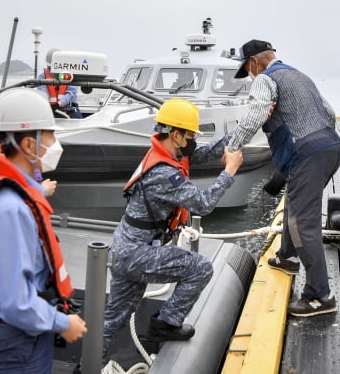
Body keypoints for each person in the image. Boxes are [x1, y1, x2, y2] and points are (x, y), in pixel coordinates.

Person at [0, 88, 87, 372]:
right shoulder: (10, 210)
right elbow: (16, 302)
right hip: (15, 344)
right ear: (29, 145)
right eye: (50, 136)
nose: (55, 144)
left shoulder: (12, 192)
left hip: (23, 337)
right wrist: (63, 323)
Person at [103, 98, 243, 352]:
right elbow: (203, 204)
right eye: (190, 135)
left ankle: (85, 366)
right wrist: (229, 172)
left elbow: (201, 154)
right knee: (200, 268)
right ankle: (166, 324)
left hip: (125, 248)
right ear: (176, 135)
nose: (193, 140)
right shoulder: (165, 173)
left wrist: (243, 131)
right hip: (138, 253)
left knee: (114, 318)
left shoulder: (163, 152)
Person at [229, 39, 340, 317]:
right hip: (331, 146)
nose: (251, 75)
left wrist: (233, 147)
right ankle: (287, 256)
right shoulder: (299, 75)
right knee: (294, 201)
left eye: (248, 69)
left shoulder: (265, 80)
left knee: (302, 223)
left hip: (307, 154)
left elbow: (255, 115)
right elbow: (329, 113)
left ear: (254, 61)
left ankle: (319, 296)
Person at [37, 47, 82, 118]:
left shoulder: (70, 76)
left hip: (70, 107)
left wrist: (58, 104)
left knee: (77, 116)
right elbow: (43, 93)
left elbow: (71, 94)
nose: (51, 70)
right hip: (50, 110)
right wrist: (50, 106)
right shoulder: (42, 77)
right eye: (49, 67)